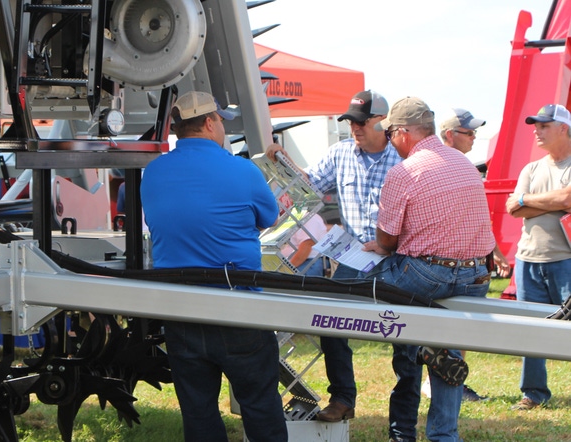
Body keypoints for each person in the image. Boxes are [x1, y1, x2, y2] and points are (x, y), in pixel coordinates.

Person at [140, 90, 287, 441]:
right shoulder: (242, 169)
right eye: (221, 120)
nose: (222, 127)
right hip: (238, 305)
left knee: (198, 412)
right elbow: (269, 216)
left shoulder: (153, 172)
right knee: (260, 406)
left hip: (180, 311)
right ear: (209, 123)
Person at [364, 96, 495, 442]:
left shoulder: (403, 171)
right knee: (448, 348)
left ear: (405, 133)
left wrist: (380, 246)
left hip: (428, 276)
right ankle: (444, 434)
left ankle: (415, 352)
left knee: (358, 284)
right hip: (476, 277)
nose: (390, 140)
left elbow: (388, 240)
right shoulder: (464, 162)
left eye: (391, 133)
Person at [267, 89, 401, 422]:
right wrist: (283, 160)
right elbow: (308, 183)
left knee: (407, 335)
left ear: (379, 121)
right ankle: (343, 398)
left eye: (360, 122)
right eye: (350, 122)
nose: (354, 128)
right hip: (355, 256)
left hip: (397, 257)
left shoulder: (402, 157)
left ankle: (403, 422)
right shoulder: (341, 153)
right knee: (328, 319)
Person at [430, 108, 511, 403]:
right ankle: (449, 386)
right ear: (450, 134)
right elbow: (475, 221)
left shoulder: (438, 165)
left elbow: (474, 221)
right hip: (458, 264)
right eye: (469, 132)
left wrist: (496, 254)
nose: (475, 137)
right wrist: (496, 254)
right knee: (458, 328)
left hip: (441, 263)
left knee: (448, 328)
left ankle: (442, 383)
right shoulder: (461, 169)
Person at [504, 103, 571, 411]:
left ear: (563, 129)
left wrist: (527, 200)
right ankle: (533, 392)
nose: (536, 130)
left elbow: (567, 198)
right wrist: (554, 201)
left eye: (544, 126)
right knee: (530, 328)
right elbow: (512, 207)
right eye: (535, 125)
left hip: (565, 260)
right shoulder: (531, 168)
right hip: (529, 260)